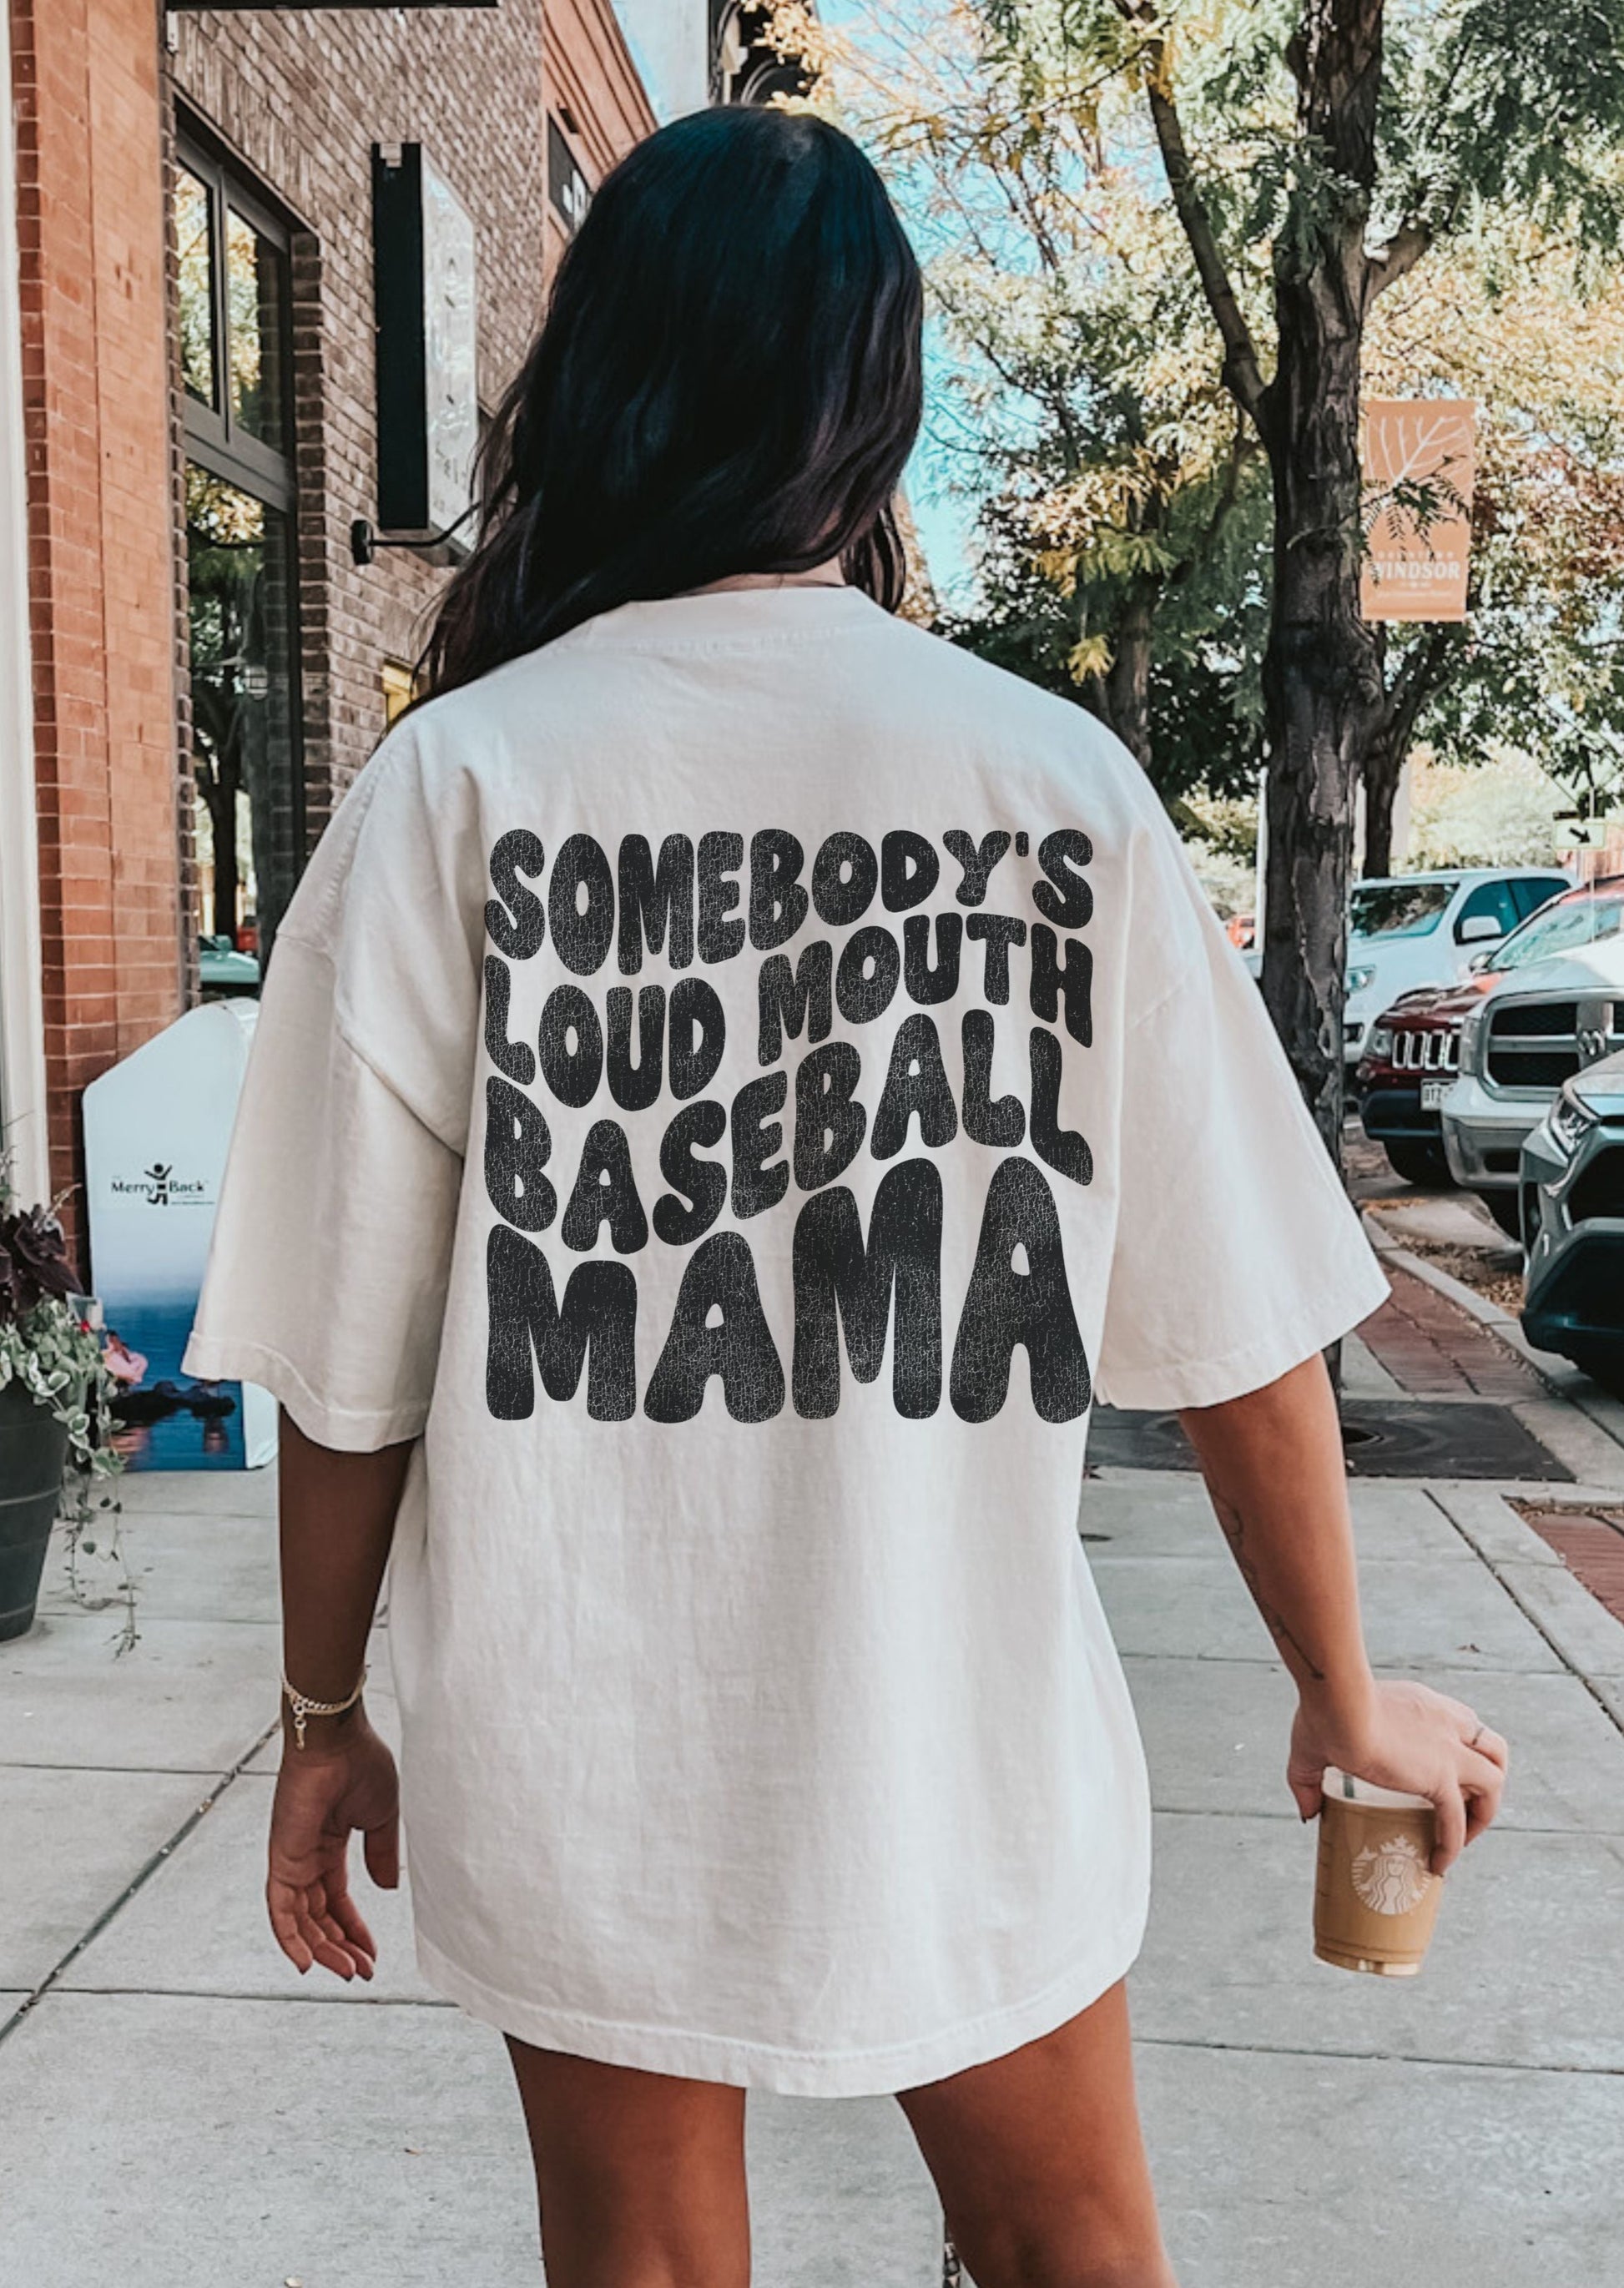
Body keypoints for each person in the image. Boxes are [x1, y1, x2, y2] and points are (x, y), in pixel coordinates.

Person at [184, 106, 1507, 2288]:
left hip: (578, 1748)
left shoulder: (456, 783)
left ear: (603, 374)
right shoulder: (1053, 786)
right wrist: (1337, 1690)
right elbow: (1246, 1320)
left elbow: (350, 1375)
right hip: (956, 1742)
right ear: (875, 396)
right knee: (1073, 2255)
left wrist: (327, 1720)